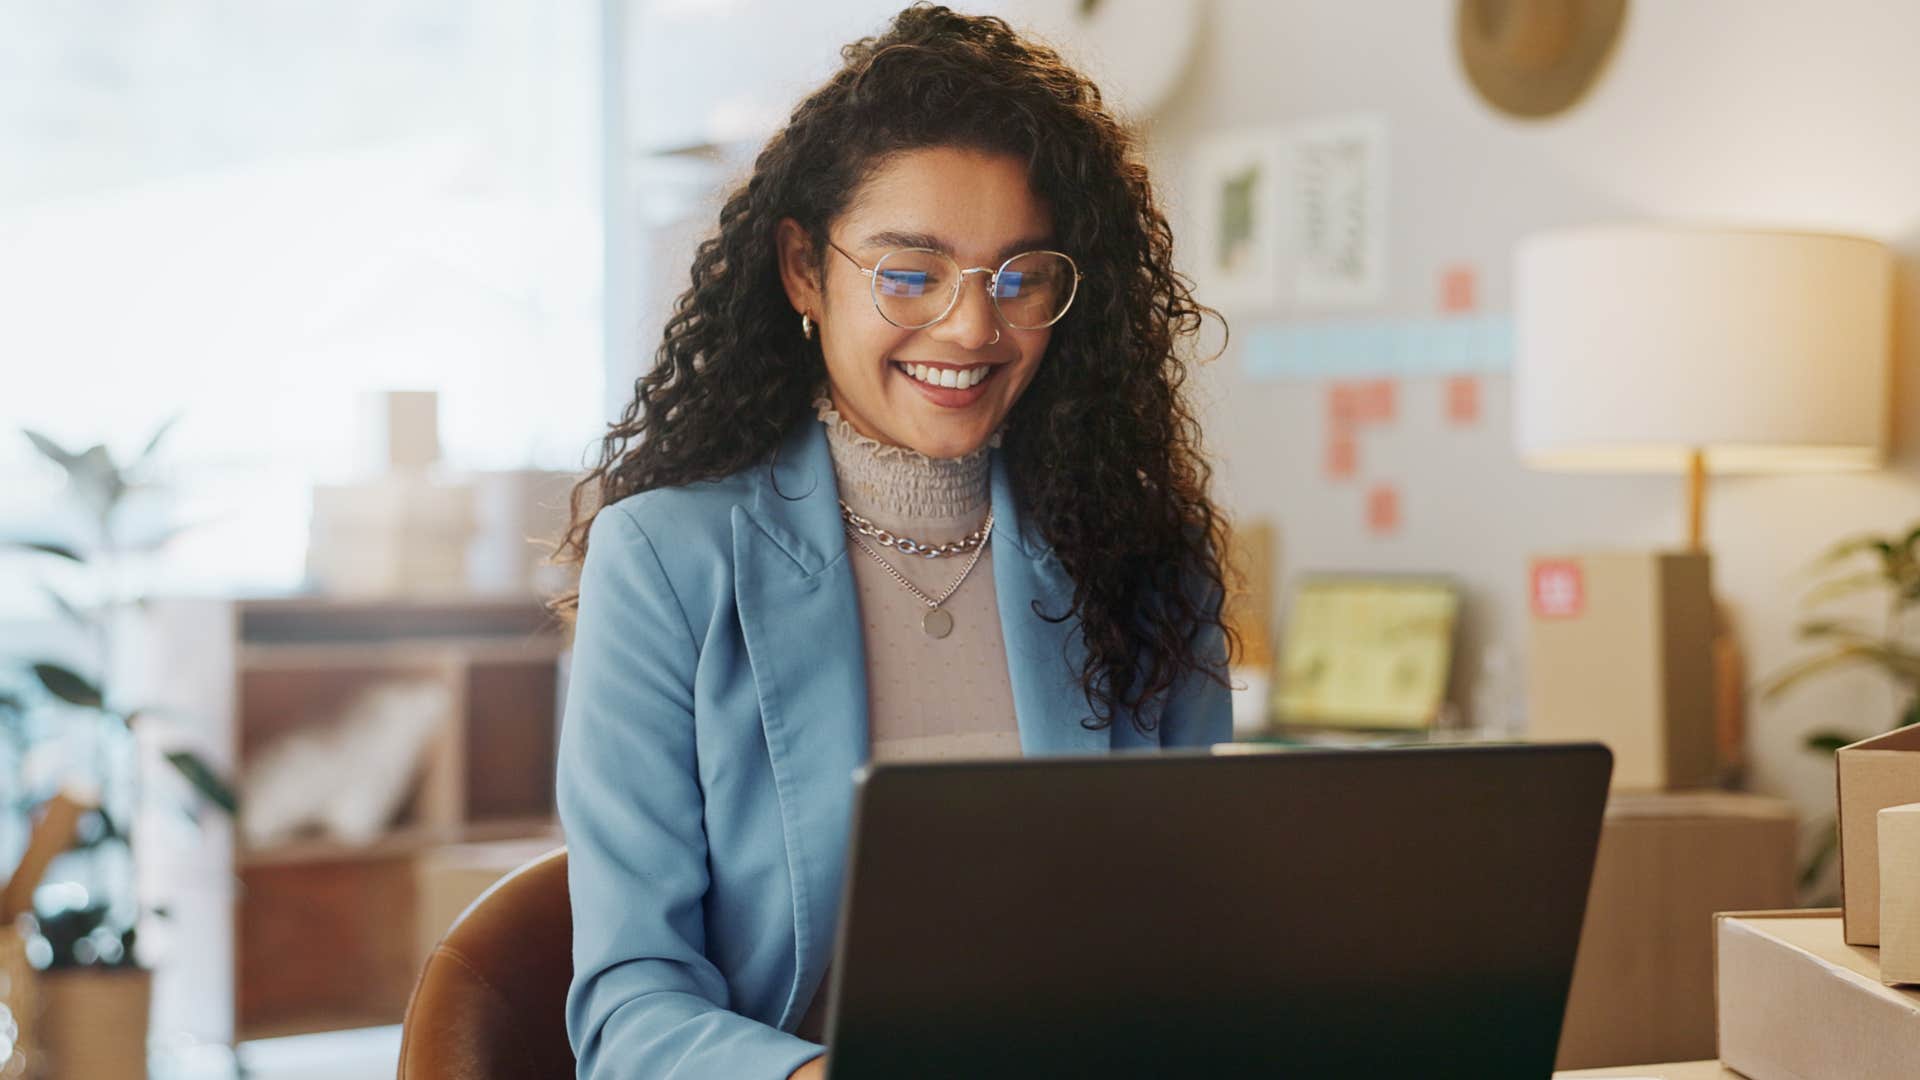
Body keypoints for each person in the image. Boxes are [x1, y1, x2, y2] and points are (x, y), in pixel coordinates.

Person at [549, 6, 1237, 1077]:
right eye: (910, 272)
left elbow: (1195, 945)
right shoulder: (666, 564)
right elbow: (632, 1000)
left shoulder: (1144, 558)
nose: (972, 326)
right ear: (801, 273)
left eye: (1020, 276)